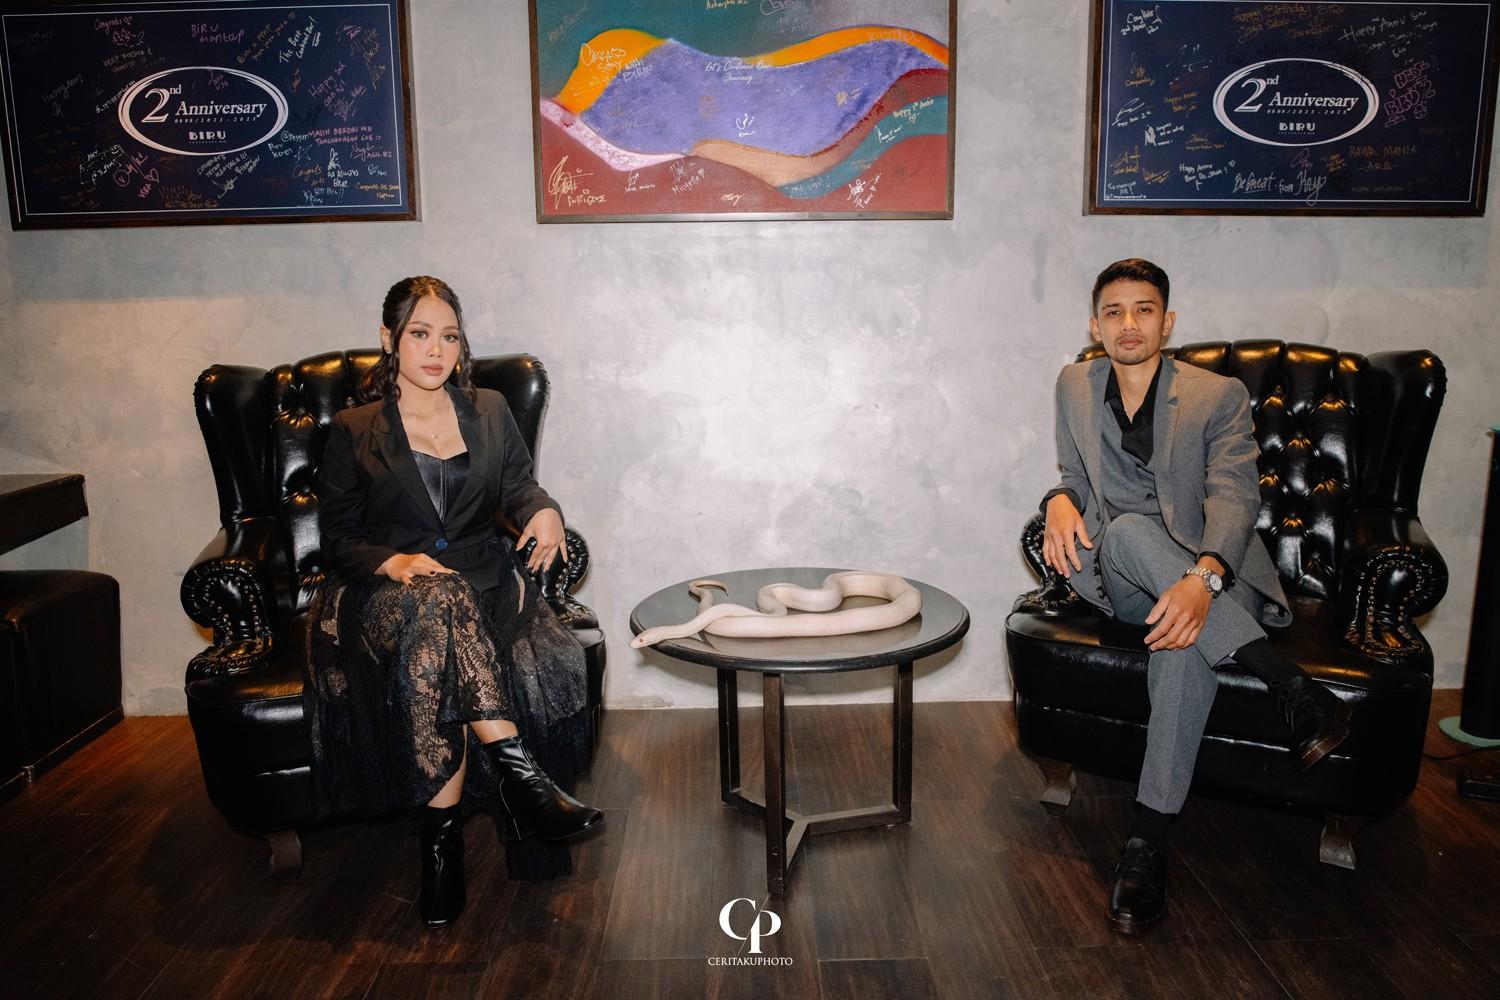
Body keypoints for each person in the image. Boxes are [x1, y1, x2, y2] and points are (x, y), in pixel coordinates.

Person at [1040, 258, 1350, 934]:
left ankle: (1147, 841)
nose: (1128, 323)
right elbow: (1073, 475)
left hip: (1209, 574)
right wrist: (1058, 499)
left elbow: (1235, 496)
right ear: (1095, 326)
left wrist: (1203, 577)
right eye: (1114, 311)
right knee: (1127, 531)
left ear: (1168, 322)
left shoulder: (1216, 395)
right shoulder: (1073, 384)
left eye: (1144, 309)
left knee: (1181, 647)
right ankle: (1290, 685)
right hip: (1122, 574)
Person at [310, 275, 602, 930]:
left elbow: (520, 487)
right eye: (419, 334)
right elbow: (337, 538)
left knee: (446, 637)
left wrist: (546, 511)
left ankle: (440, 851)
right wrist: (393, 562)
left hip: (482, 584)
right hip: (384, 595)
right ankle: (523, 779)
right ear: (389, 339)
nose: (436, 350)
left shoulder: (489, 409)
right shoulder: (355, 428)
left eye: (448, 336)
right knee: (436, 596)